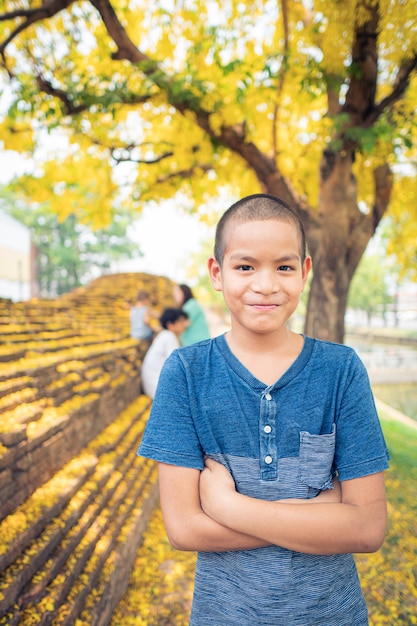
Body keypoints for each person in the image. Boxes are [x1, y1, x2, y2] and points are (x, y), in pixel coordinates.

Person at [138, 193, 390, 625]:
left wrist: (227, 506)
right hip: (224, 615)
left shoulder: (341, 370)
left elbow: (367, 529)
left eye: (284, 267)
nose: (266, 284)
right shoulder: (186, 372)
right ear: (217, 273)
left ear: (305, 272)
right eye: (245, 266)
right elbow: (183, 529)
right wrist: (322, 514)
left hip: (332, 614)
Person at [141, 307, 189, 400]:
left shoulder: (164, 335)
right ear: (170, 324)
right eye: (180, 321)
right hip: (157, 387)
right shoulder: (169, 336)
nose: (184, 324)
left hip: (155, 385)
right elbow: (178, 366)